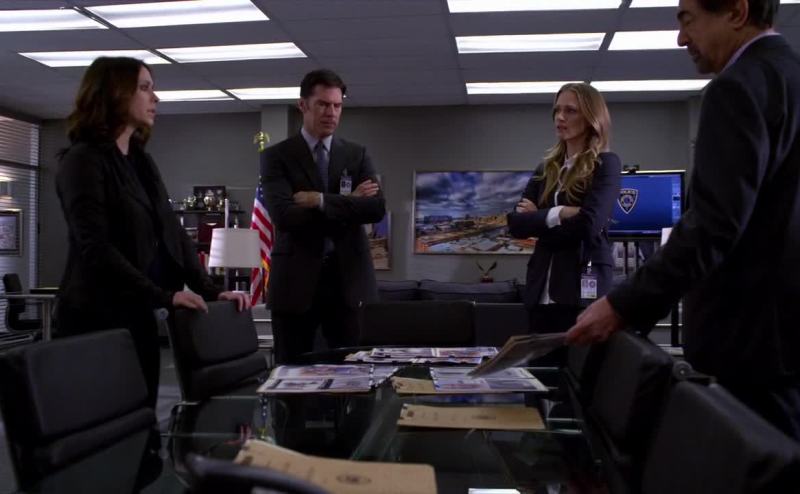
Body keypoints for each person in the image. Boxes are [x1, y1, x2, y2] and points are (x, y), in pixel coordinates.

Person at [566, 0, 800, 440]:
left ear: (737, 12)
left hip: (748, 344)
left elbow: (713, 225)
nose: (681, 38)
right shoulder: (790, 76)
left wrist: (621, 305)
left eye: (688, 19)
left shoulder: (737, 87)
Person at [56, 57, 249, 408]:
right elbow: (96, 248)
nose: (155, 98)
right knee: (103, 422)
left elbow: (173, 232)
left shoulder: (141, 161)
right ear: (115, 94)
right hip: (95, 320)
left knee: (142, 416)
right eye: (144, 88)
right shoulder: (82, 160)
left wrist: (209, 290)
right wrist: (164, 296)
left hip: (137, 316)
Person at [262, 69, 385, 364]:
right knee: (291, 371)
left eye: (337, 105)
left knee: (354, 372)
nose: (331, 113)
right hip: (295, 283)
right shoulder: (277, 156)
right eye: (323, 104)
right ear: (303, 105)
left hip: (349, 282)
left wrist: (319, 200)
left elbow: (375, 209)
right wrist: (348, 204)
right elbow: (285, 216)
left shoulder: (356, 154)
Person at [507, 83, 621, 346]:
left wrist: (539, 219)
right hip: (540, 290)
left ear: (591, 117)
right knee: (540, 366)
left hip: (581, 288)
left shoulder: (606, 164)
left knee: (579, 365)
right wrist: (560, 212)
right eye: (557, 110)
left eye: (570, 111)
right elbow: (516, 224)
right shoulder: (546, 168)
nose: (560, 117)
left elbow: (589, 224)